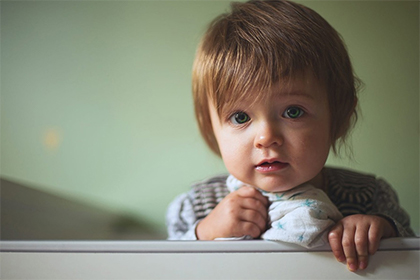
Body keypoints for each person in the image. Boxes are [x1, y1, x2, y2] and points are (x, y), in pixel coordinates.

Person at [166, 0, 415, 272]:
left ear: (339, 115)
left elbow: (409, 260)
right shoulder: (197, 205)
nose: (266, 138)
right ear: (210, 126)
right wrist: (204, 234)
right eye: (240, 117)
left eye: (293, 112)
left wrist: (382, 231)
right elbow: (164, 266)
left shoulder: (369, 197)